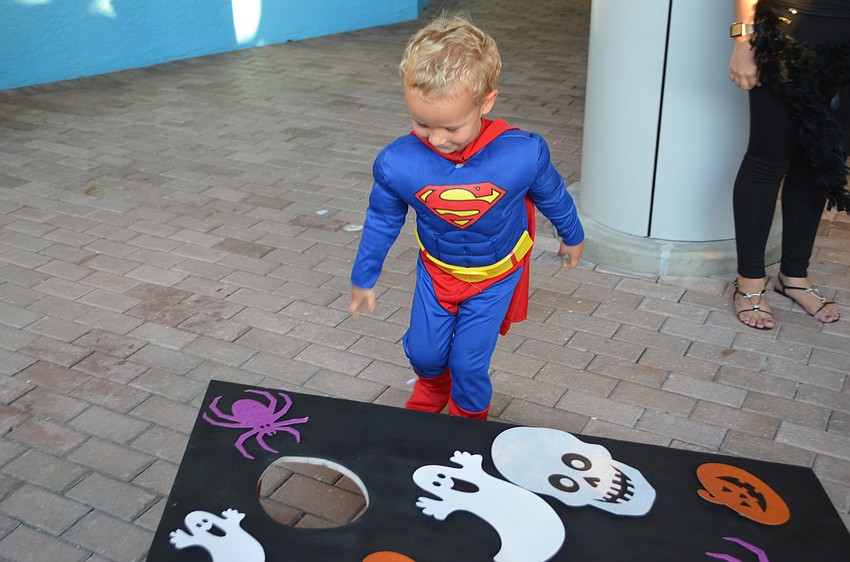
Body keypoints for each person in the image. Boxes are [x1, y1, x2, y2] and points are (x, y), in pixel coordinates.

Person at [348, 14, 585, 419]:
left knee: (468, 364)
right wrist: (363, 277)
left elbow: (552, 193)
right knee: (424, 353)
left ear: (486, 101)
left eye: (451, 127)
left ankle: (468, 421)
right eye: (422, 123)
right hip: (437, 273)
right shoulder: (397, 163)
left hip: (495, 278)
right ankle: (432, 385)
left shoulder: (522, 154)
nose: (436, 139)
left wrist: (572, 234)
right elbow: (383, 219)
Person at [729, 0, 848, 329]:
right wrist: (744, 40)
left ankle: (794, 276)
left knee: (819, 159)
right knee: (767, 161)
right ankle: (749, 281)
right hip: (785, 37)